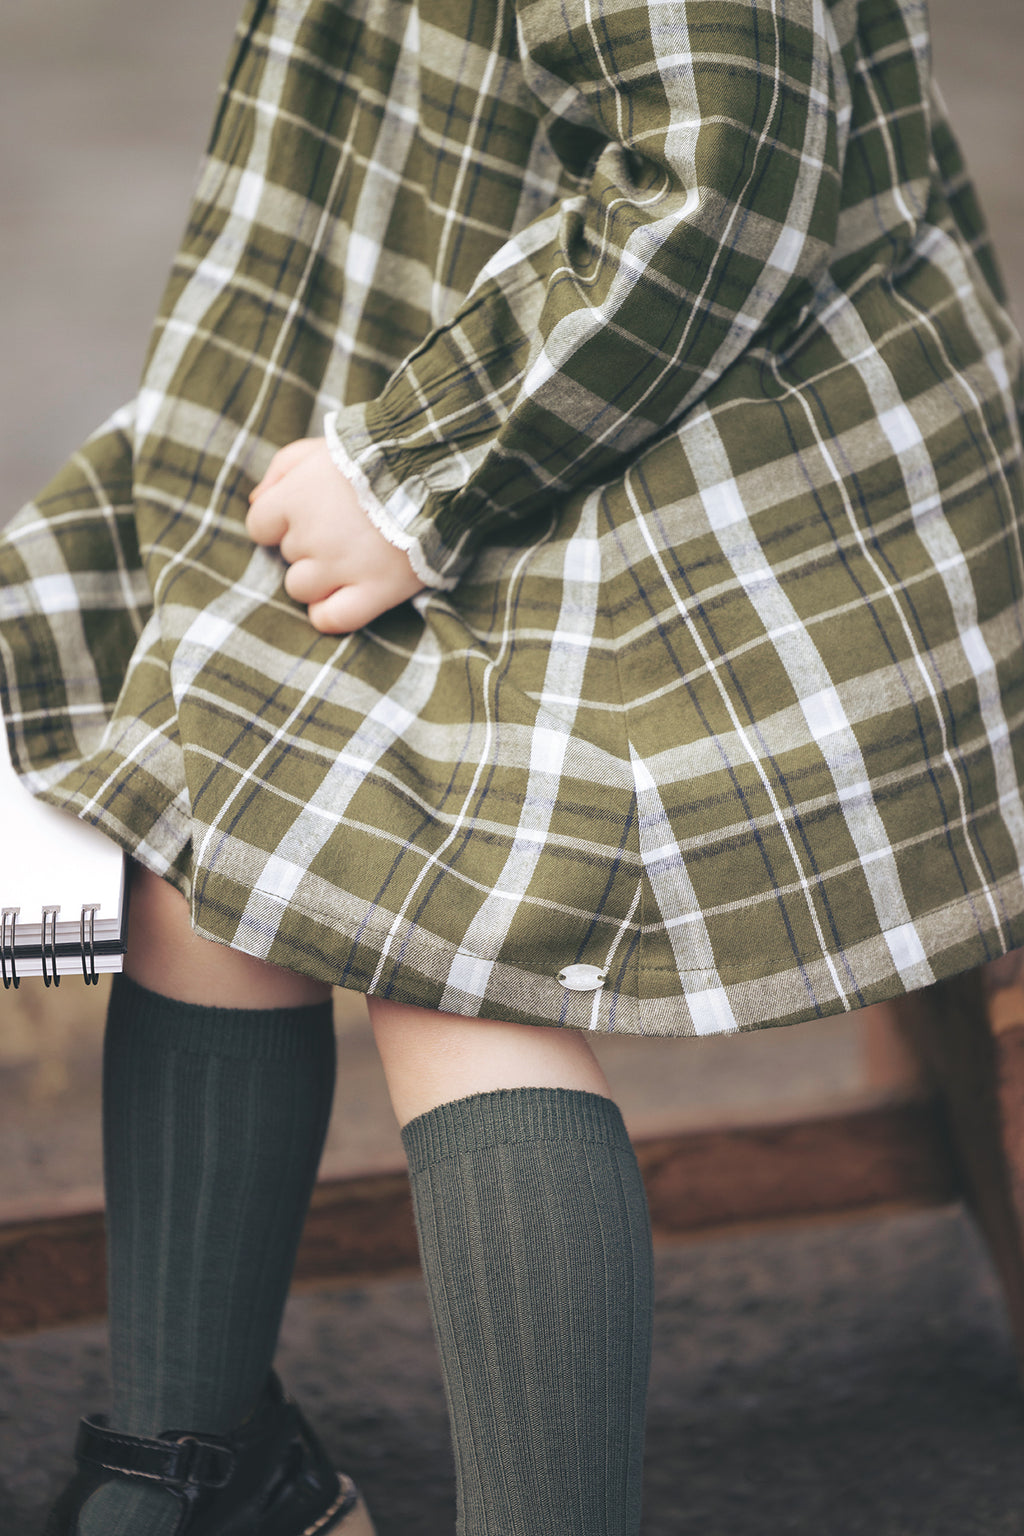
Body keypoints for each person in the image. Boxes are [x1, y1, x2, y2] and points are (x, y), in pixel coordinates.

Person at [2, 0, 1023, 1530]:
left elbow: (721, 169)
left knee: (463, 926)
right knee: (205, 774)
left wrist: (409, 474)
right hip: (401, 388)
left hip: (719, 457)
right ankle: (182, 1468)